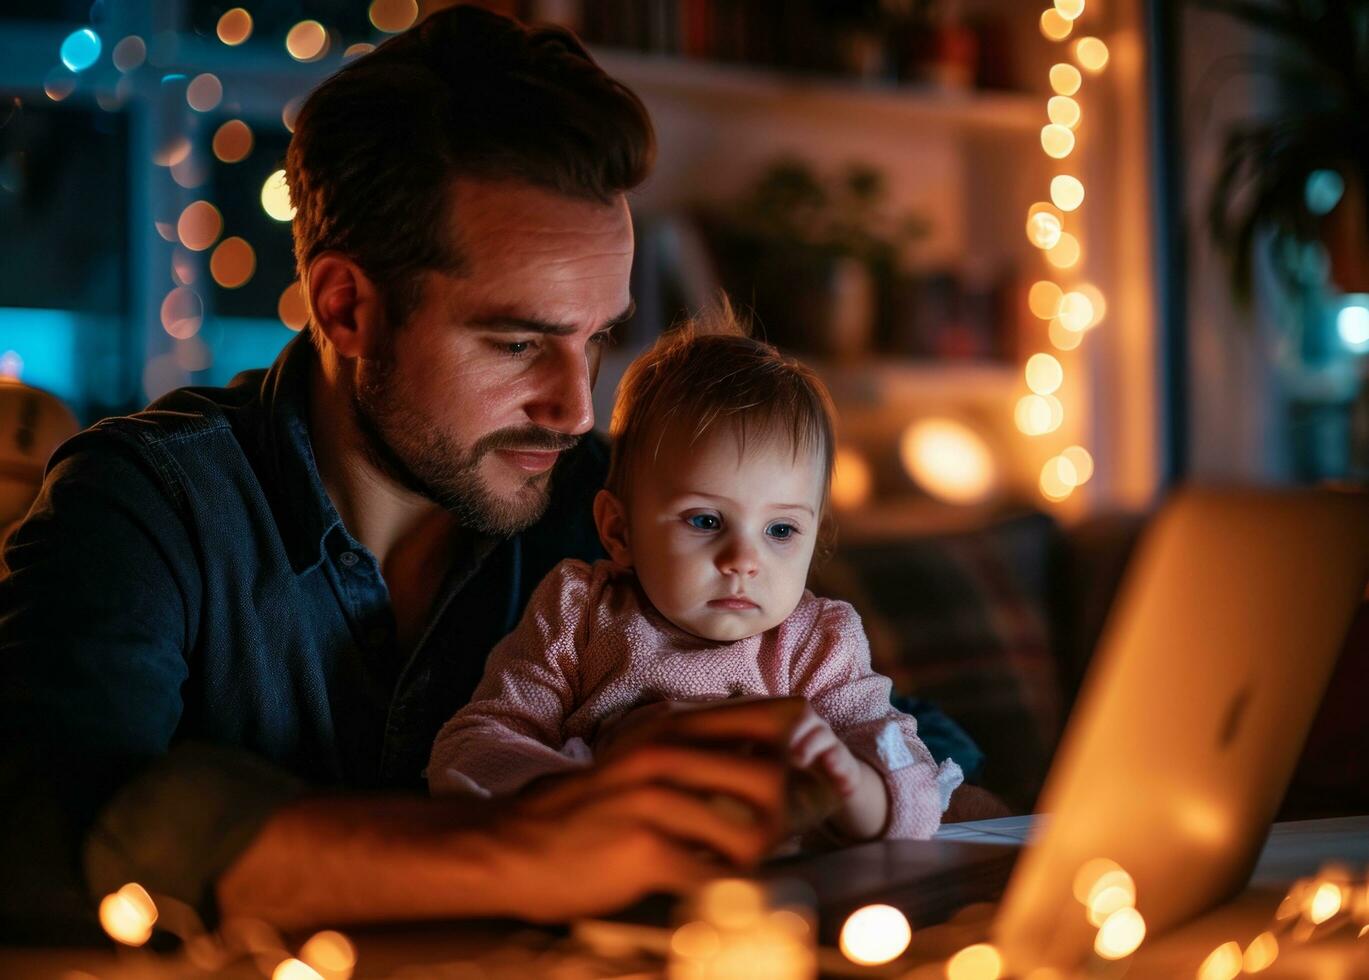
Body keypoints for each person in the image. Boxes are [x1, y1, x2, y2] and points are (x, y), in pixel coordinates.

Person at [0, 7, 794, 941]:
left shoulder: (610, 505)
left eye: (597, 338)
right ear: (347, 311)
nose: (577, 408)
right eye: (516, 341)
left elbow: (917, 740)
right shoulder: (147, 503)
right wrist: (517, 850)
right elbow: (36, 828)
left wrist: (795, 770)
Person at [429, 314, 963, 843]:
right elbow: (474, 749)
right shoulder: (580, 614)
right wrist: (593, 787)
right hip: (600, 874)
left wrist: (855, 785)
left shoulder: (817, 644)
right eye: (706, 521)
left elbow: (908, 775)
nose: (742, 560)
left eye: (780, 529)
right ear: (619, 530)